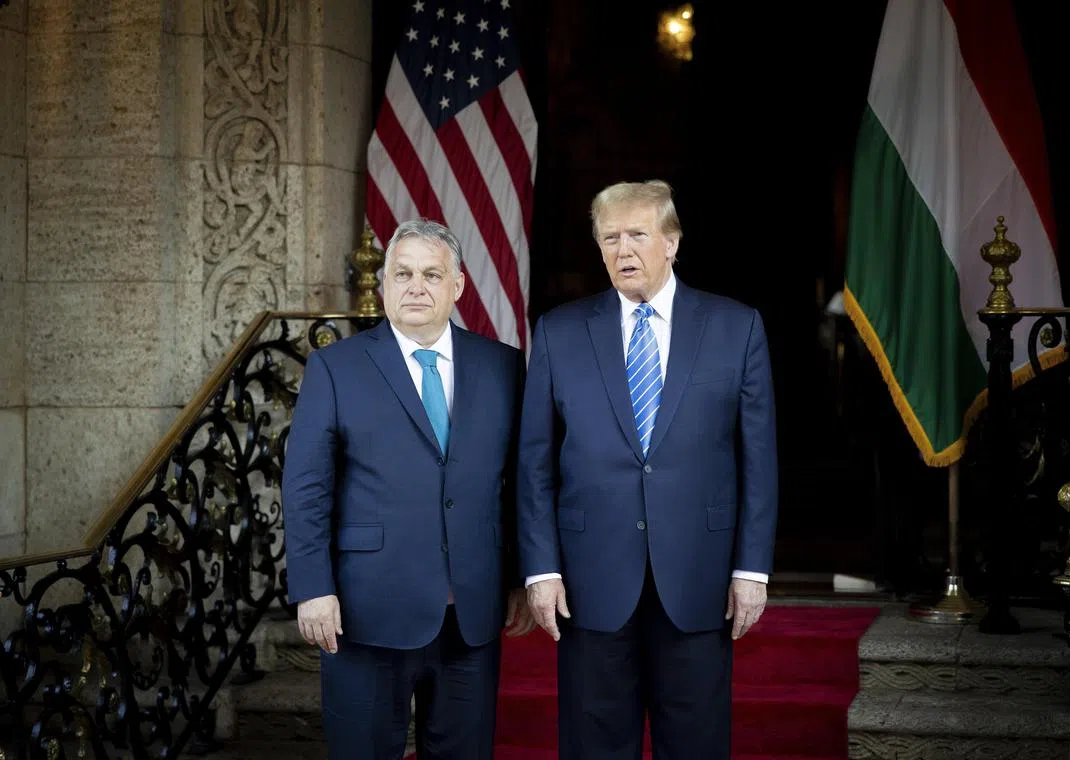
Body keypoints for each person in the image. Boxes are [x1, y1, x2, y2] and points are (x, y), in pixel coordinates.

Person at [517, 180, 778, 759]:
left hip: (698, 576)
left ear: (672, 242)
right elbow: (534, 463)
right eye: (609, 238)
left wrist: (752, 569)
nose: (623, 250)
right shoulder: (560, 332)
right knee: (594, 745)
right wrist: (540, 570)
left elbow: (758, 461)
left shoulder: (736, 327)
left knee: (695, 744)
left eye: (637, 234)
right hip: (588, 582)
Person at [283, 218, 534, 760]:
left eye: (430, 274)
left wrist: (518, 575)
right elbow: (306, 486)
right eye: (402, 274)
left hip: (471, 612)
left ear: (458, 285)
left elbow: (518, 483)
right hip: (364, 610)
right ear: (386, 284)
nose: (416, 286)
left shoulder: (504, 367)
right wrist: (312, 586)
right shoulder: (335, 367)